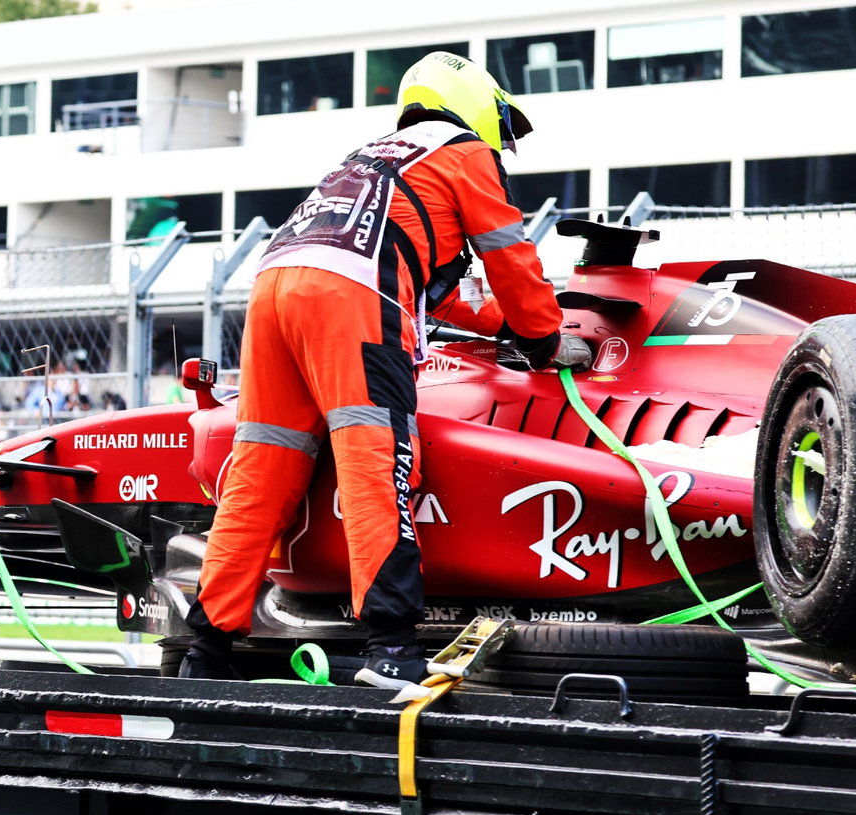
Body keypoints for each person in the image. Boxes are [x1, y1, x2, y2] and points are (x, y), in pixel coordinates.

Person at [180, 51, 593, 688]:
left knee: (259, 474)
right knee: (378, 464)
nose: (503, 149)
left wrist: (505, 327)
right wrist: (542, 338)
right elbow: (510, 255)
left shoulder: (373, 157)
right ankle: (391, 652)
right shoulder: (464, 152)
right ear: (477, 103)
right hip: (354, 300)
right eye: (502, 131)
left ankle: (204, 654)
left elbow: (440, 290)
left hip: (274, 290)